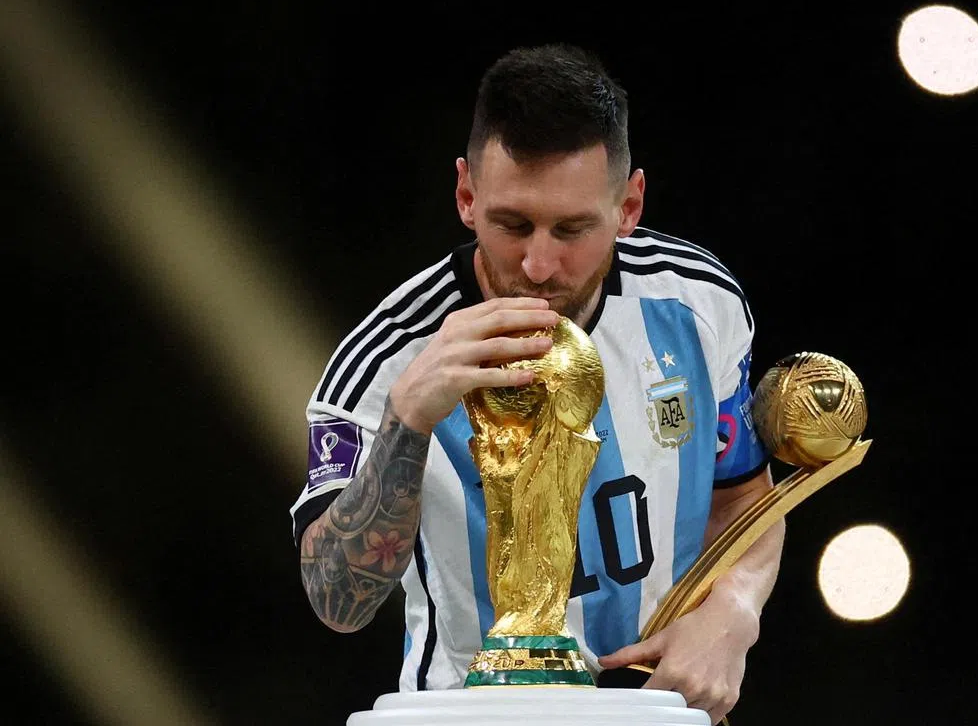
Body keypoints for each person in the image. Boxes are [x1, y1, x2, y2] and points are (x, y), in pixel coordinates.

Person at [290, 43, 785, 725]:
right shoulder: (381, 363)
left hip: (655, 713)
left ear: (629, 205)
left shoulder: (699, 304)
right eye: (512, 224)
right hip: (468, 715)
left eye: (573, 228)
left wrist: (736, 607)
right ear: (466, 196)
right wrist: (407, 419)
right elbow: (336, 598)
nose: (540, 263)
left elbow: (743, 499)